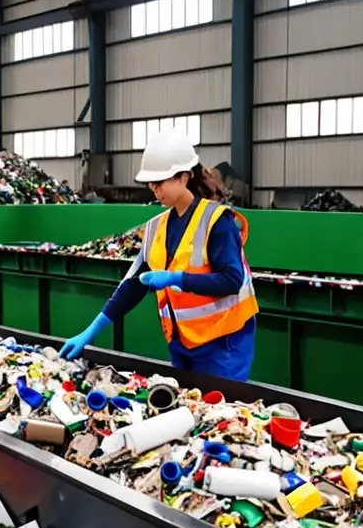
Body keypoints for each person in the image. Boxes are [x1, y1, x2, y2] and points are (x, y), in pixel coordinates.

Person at [60, 128, 258, 380]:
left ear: (184, 178)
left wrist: (176, 279)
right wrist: (90, 332)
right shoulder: (155, 227)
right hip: (182, 341)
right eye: (151, 183)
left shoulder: (217, 221)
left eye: (160, 182)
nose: (154, 189)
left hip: (224, 343)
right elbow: (132, 286)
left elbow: (231, 280)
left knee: (219, 412)